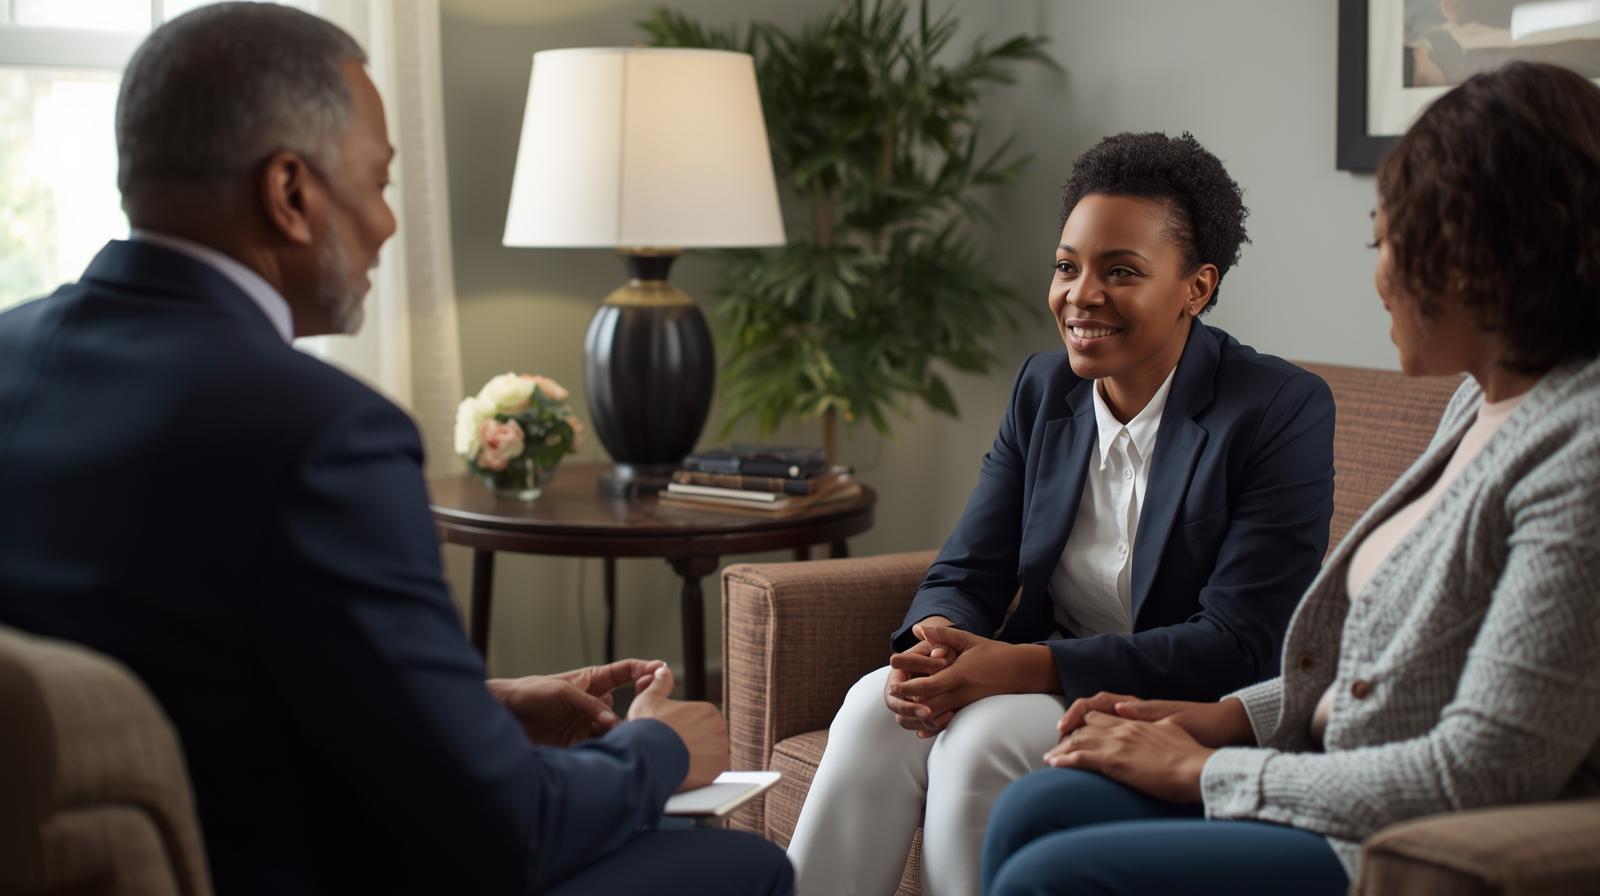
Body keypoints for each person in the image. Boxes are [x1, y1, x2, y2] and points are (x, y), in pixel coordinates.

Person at [0, 5, 792, 895]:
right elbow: (502, 832)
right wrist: (656, 750)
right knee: (743, 865)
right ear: (291, 194)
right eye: (377, 184)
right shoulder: (321, 432)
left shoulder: (13, 356)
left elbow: (192, 669)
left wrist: (478, 710)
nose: (384, 225)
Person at [982, 61, 1600, 896]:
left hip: (1399, 834)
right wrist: (1229, 717)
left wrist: (1206, 771)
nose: (1379, 278)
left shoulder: (1580, 454)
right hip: (1328, 765)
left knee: (1058, 870)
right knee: (1037, 807)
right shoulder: (1480, 401)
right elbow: (1387, 673)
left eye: (1392, 244)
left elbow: (1480, 769)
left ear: (1486, 255)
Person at [786, 132, 1337, 896]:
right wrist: (936, 642)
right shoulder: (1044, 390)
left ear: (1196, 288)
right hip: (1045, 676)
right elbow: (967, 566)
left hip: (1175, 705)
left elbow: (1241, 642)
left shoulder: (1278, 409)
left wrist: (1026, 665)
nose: (1081, 295)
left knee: (977, 741)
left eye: (1121, 272)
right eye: (1067, 267)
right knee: (873, 703)